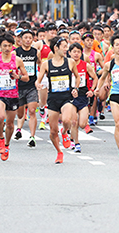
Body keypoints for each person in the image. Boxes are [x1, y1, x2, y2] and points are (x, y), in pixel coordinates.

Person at [0, 34, 29, 161]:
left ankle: (7, 145)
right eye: (4, 45)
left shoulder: (17, 60)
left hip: (13, 95)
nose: (7, 48)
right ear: (0, 46)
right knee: (0, 118)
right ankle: (1, 138)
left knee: (9, 124)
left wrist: (18, 77)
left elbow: (26, 77)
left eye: (9, 45)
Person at [36, 36, 80, 164]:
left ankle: (65, 132)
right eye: (64, 47)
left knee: (67, 120)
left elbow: (77, 77)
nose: (66, 49)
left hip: (66, 97)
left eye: (67, 46)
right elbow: (38, 80)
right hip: (53, 99)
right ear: (56, 48)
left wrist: (75, 88)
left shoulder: (70, 62)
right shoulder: (46, 64)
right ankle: (59, 152)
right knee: (52, 131)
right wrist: (38, 85)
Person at [69, 42, 98, 153]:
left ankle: (69, 134)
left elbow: (95, 78)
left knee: (82, 123)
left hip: (83, 95)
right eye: (74, 52)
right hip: (70, 96)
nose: (76, 54)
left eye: (78, 52)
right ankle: (76, 143)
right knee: (74, 122)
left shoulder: (85, 65)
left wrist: (92, 90)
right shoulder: (66, 64)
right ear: (70, 53)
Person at [14, 29, 41, 147]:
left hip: (31, 85)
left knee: (32, 111)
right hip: (19, 85)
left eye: (30, 38)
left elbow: (40, 64)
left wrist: (40, 79)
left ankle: (32, 137)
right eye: (25, 38)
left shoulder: (36, 52)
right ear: (20, 40)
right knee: (20, 113)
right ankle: (19, 128)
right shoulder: (16, 52)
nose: (28, 40)